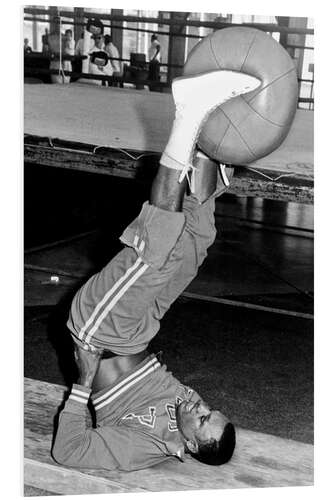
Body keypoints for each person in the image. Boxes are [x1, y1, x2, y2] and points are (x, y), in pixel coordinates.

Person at [52, 69, 261, 471]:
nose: (200, 403)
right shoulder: (187, 412)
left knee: (157, 248)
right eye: (210, 407)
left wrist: (81, 383)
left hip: (101, 332)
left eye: (201, 418)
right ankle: (205, 136)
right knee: (198, 239)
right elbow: (188, 406)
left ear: (190, 446)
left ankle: (190, 112)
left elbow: (70, 452)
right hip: (142, 327)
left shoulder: (145, 446)